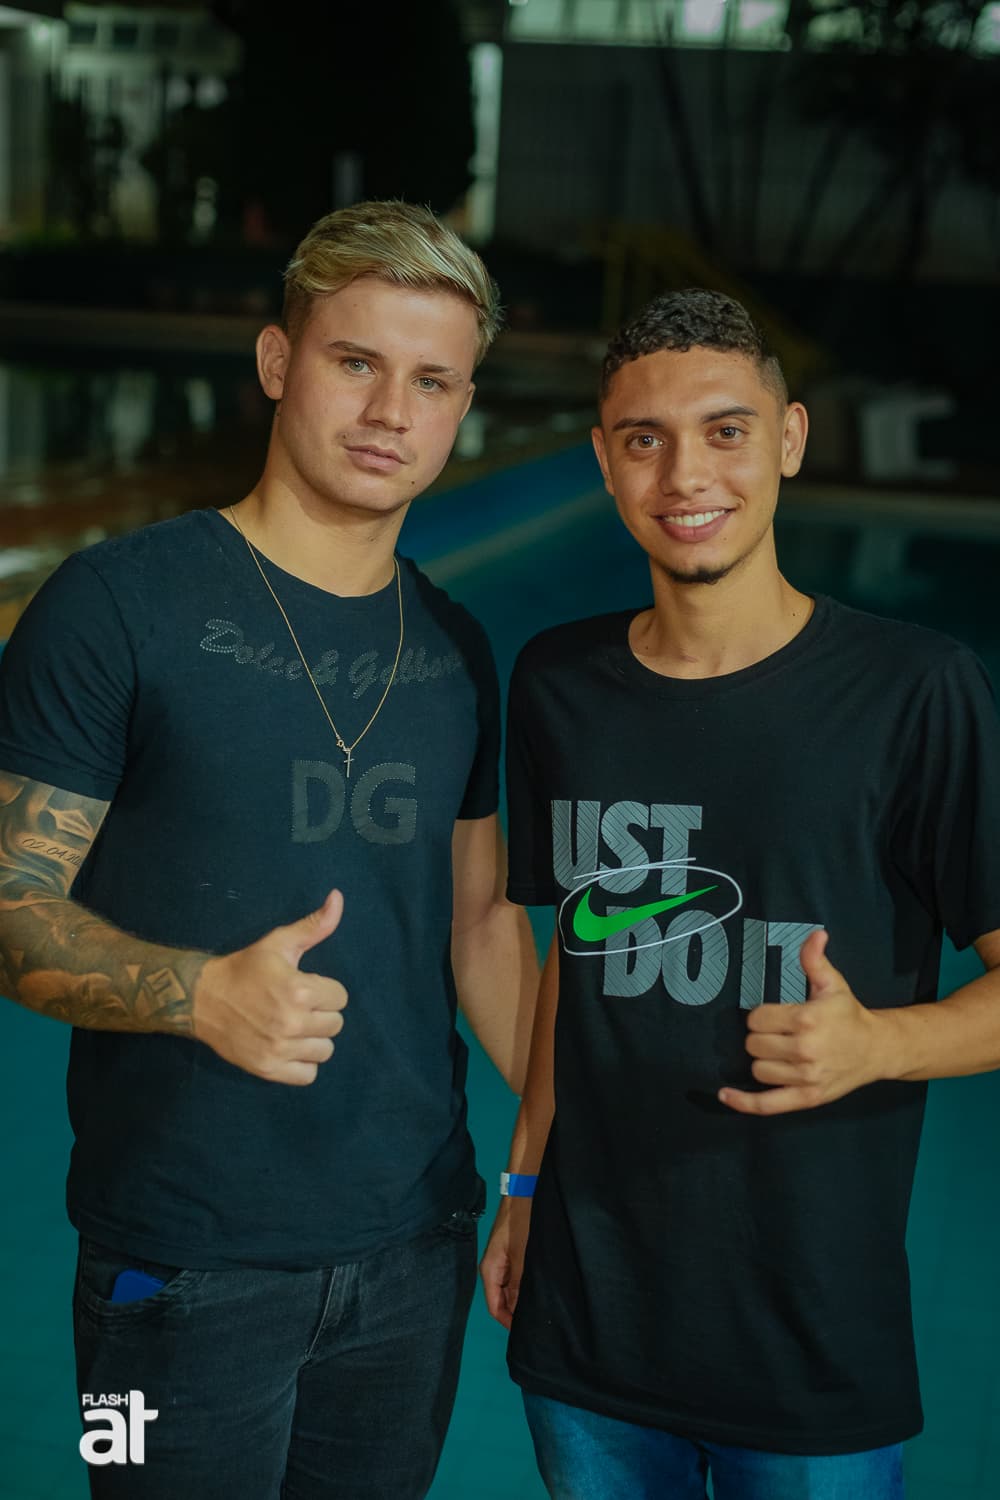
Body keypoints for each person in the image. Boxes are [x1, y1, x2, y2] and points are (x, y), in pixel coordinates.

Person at [0, 199, 538, 1499]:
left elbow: (478, 923)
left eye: (431, 381)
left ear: (462, 406)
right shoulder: (114, 605)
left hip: (414, 1248)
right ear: (278, 361)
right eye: (356, 362)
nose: (390, 411)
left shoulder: (458, 647)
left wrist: (560, 1140)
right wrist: (199, 994)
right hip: (168, 1267)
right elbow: (10, 901)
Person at [480, 288, 1000, 1500]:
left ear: (789, 439)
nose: (684, 476)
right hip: (590, 1329)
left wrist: (879, 1044)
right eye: (644, 439)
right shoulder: (558, 683)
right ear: (603, 462)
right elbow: (576, 965)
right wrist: (523, 1185)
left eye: (725, 430)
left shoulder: (914, 693)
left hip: (808, 1347)